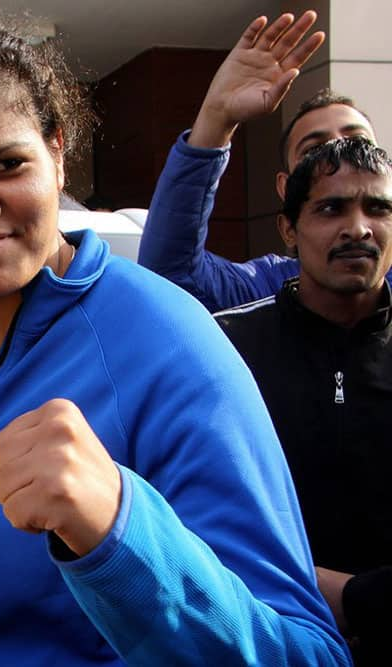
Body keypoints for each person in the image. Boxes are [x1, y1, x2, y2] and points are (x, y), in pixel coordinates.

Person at [0, 17, 349, 665]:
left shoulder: (169, 343)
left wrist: (118, 531)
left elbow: (308, 652)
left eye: (4, 165)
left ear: (58, 153)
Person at [216, 136, 392, 665]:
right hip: (263, 636)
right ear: (288, 229)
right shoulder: (224, 350)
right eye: (331, 208)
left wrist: (360, 600)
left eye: (377, 208)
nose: (358, 228)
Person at [139, 12, 384, 312]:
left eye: (356, 144)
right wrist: (216, 118)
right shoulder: (263, 292)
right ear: (286, 191)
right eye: (313, 150)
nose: (338, 160)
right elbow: (170, 274)